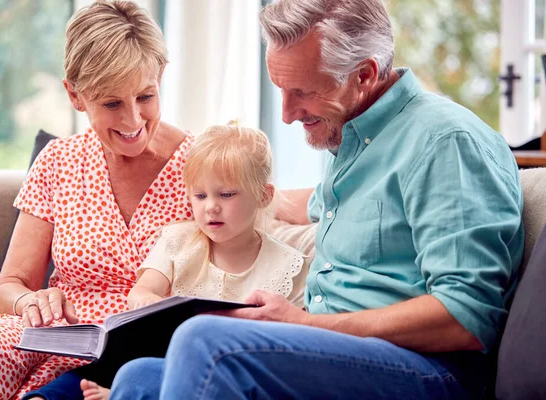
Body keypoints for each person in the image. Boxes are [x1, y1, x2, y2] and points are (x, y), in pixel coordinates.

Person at [107, 0, 525, 399]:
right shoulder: (352, 136)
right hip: (337, 353)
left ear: (363, 74)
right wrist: (222, 199)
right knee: (139, 377)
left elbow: (466, 317)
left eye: (302, 92)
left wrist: (306, 325)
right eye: (281, 92)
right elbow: (307, 204)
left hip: (428, 370)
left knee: (207, 344)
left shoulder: (445, 144)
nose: (287, 114)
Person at [0, 1, 195, 399]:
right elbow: (8, 287)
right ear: (75, 95)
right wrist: (32, 300)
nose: (133, 121)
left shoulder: (202, 165)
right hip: (63, 336)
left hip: (150, 345)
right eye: (112, 103)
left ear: (160, 76)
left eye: (145, 96)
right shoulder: (58, 161)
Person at [32, 123, 309, 400]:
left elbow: (293, 342)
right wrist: (150, 303)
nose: (210, 206)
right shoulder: (178, 241)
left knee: (139, 376)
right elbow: (142, 290)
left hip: (235, 373)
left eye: (226, 194)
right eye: (200, 196)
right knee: (112, 366)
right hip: (164, 358)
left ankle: (119, 393)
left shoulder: (290, 265)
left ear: (264, 196)